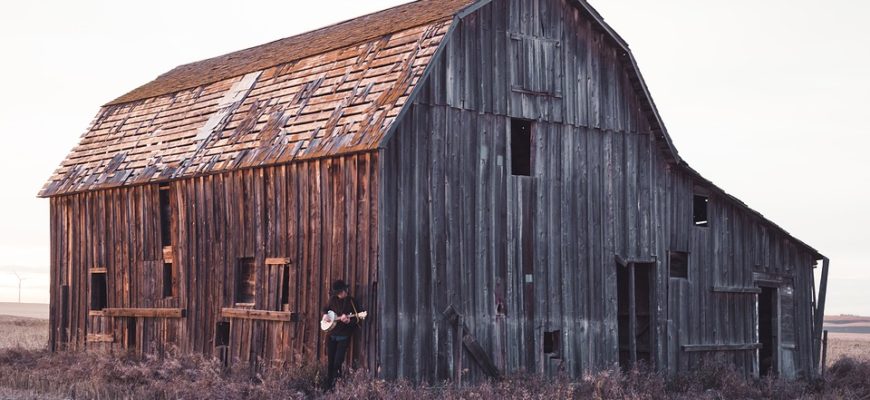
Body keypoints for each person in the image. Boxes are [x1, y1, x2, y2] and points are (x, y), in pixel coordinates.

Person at [321, 279, 365, 390]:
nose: (341, 294)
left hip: (344, 336)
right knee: (331, 362)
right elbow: (325, 309)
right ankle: (329, 387)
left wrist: (349, 321)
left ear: (345, 290)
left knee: (337, 362)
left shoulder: (352, 302)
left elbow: (358, 320)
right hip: (332, 335)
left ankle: (337, 387)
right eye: (338, 293)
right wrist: (325, 315)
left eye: (342, 292)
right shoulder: (332, 300)